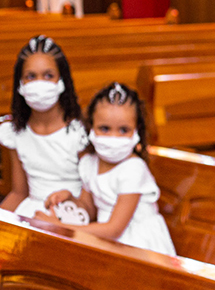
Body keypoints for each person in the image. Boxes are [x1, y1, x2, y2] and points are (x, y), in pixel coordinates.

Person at [37, 82, 176, 256]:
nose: (113, 137)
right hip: (103, 236)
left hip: (137, 244)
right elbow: (89, 208)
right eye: (104, 128)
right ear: (91, 128)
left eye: (123, 130)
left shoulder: (133, 169)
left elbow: (114, 229)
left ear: (137, 131)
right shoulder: (89, 164)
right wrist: (70, 198)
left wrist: (59, 227)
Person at [0, 35, 85, 217]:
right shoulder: (16, 132)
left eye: (48, 75)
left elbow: (92, 196)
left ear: (61, 81)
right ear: (21, 84)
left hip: (74, 212)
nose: (40, 83)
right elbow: (18, 193)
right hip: (32, 210)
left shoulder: (79, 132)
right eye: (31, 76)